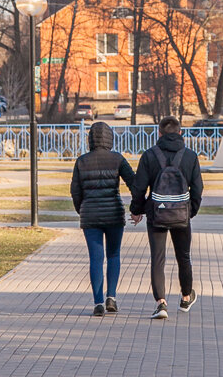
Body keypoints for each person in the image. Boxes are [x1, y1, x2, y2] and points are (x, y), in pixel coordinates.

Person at [130, 116, 204, 319]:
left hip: (156, 215)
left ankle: (161, 303)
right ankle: (186, 297)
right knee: (184, 256)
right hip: (182, 215)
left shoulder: (149, 156)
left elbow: (139, 187)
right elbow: (197, 190)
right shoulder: (190, 156)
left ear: (159, 133)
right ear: (180, 133)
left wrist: (137, 210)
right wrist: (190, 211)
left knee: (158, 259)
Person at [70, 121, 136, 317]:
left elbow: (75, 192)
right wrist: (136, 207)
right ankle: (112, 297)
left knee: (95, 259)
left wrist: (82, 210)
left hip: (90, 215)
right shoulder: (117, 159)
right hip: (114, 214)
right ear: (110, 138)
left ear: (90, 138)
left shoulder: (81, 161)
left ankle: (98, 302)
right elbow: (134, 183)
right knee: (114, 255)